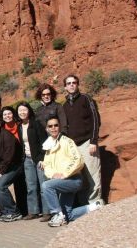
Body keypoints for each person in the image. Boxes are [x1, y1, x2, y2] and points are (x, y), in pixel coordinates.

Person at [41, 116, 103, 227]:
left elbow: (78, 160)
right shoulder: (48, 145)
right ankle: (95, 206)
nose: (53, 128)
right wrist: (53, 175)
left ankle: (57, 214)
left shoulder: (67, 141)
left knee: (46, 186)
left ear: (60, 127)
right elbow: (47, 165)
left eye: (56, 125)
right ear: (47, 129)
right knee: (67, 215)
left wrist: (64, 174)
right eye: (50, 126)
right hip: (62, 182)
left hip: (73, 180)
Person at [62, 74, 102, 204]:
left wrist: (93, 141)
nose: (72, 85)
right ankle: (84, 206)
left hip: (87, 143)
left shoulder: (86, 99)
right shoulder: (65, 105)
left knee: (93, 176)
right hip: (73, 146)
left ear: (78, 84)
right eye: (69, 83)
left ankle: (95, 203)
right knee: (79, 177)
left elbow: (96, 119)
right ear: (65, 87)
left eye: (74, 82)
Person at [16, 102, 50, 221]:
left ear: (29, 111)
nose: (22, 112)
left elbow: (44, 142)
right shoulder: (19, 126)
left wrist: (42, 158)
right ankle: (33, 211)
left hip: (39, 159)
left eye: (24, 110)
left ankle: (47, 211)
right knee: (31, 187)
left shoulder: (36, 124)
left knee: (43, 185)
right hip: (27, 159)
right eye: (20, 110)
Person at [0, 114, 23, 222]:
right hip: (3, 167)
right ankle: (5, 211)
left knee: (0, 185)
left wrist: (2, 171)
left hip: (15, 166)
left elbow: (9, 157)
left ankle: (14, 212)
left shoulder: (7, 136)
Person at [1, 106, 28, 217]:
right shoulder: (2, 128)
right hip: (11, 162)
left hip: (24, 159)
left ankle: (31, 209)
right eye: (5, 114)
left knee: (28, 185)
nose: (7, 116)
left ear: (13, 114)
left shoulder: (20, 126)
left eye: (9, 113)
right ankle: (22, 210)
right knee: (18, 186)